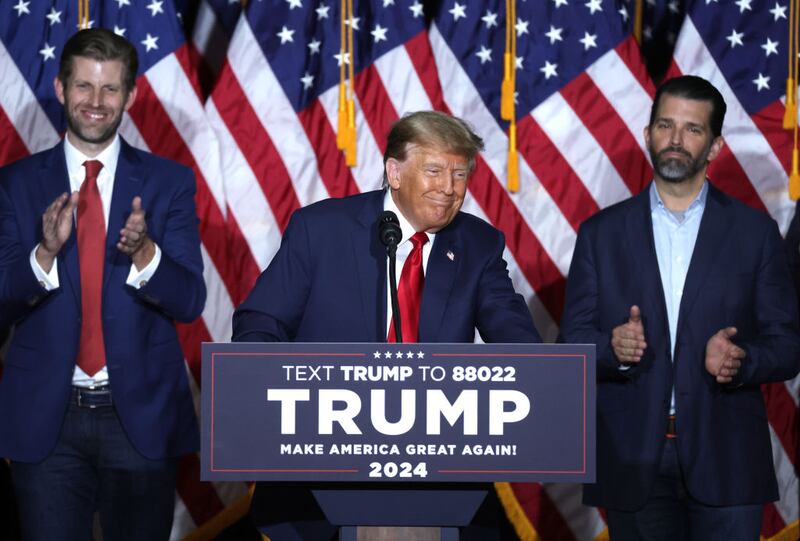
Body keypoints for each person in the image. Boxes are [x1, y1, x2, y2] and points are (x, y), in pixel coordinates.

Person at [232, 110, 541, 539]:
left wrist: (539, 375)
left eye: (459, 174)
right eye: (434, 171)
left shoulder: (477, 244)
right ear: (394, 172)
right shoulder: (321, 229)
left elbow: (517, 342)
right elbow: (259, 323)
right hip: (323, 470)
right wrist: (275, 391)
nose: (449, 189)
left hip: (434, 476)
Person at [560, 74, 800, 541]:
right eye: (666, 125)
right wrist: (611, 348)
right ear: (648, 134)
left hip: (727, 458)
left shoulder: (755, 234)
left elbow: (788, 346)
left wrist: (742, 360)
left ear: (713, 147)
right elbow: (572, 343)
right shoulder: (600, 235)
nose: (675, 140)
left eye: (692, 129)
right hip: (633, 461)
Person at [0, 28, 206, 540]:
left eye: (110, 89)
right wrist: (44, 253)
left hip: (138, 417)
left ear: (130, 96)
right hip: (48, 421)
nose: (96, 102)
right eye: (84, 87)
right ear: (60, 88)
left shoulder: (168, 182)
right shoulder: (16, 184)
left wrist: (145, 253)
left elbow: (190, 300)